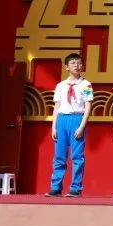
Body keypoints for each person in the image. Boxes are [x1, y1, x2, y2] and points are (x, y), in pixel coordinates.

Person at [46, 53, 93, 198]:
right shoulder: (60, 85)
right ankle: (56, 187)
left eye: (79, 63)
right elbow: (56, 107)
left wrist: (82, 126)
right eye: (73, 63)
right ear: (66, 67)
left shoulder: (86, 84)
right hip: (62, 120)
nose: (77, 66)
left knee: (77, 156)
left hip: (77, 119)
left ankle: (76, 188)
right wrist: (54, 126)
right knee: (59, 156)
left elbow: (88, 106)